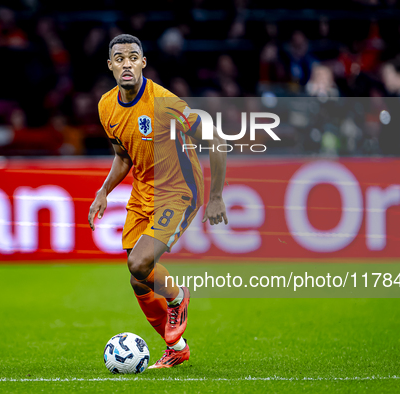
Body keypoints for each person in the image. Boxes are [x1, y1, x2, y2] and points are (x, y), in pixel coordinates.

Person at [88, 34, 228, 369]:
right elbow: (123, 155)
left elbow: (217, 140)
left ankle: (178, 296)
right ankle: (177, 347)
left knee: (138, 263)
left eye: (133, 57)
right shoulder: (106, 106)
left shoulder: (164, 103)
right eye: (119, 58)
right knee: (138, 277)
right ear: (110, 65)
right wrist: (104, 190)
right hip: (142, 191)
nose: (126, 63)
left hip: (179, 190)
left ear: (143, 63)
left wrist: (217, 196)